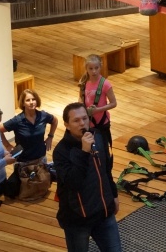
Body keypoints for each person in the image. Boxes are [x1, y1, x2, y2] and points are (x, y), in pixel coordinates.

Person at [53, 102, 120, 252]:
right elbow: (73, 183)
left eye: (84, 118)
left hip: (104, 214)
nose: (82, 123)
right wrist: (83, 152)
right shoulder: (61, 151)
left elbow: (106, 170)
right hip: (78, 220)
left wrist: (114, 195)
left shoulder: (99, 136)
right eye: (76, 120)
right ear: (67, 125)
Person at [78, 54, 117, 171]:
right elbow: (81, 99)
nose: (94, 71)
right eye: (90, 68)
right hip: (87, 123)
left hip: (101, 123)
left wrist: (97, 110)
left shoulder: (105, 84)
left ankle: (105, 171)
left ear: (101, 67)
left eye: (96, 68)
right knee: (88, 148)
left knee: (103, 149)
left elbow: (113, 103)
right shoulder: (84, 82)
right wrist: (82, 110)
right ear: (86, 69)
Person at [2, 88, 58, 163]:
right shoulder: (17, 120)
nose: (31, 102)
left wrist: (50, 136)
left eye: (33, 99)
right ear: (23, 103)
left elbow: (55, 121)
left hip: (41, 158)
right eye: (28, 100)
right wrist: (7, 145)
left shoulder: (43, 116)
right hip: (23, 161)